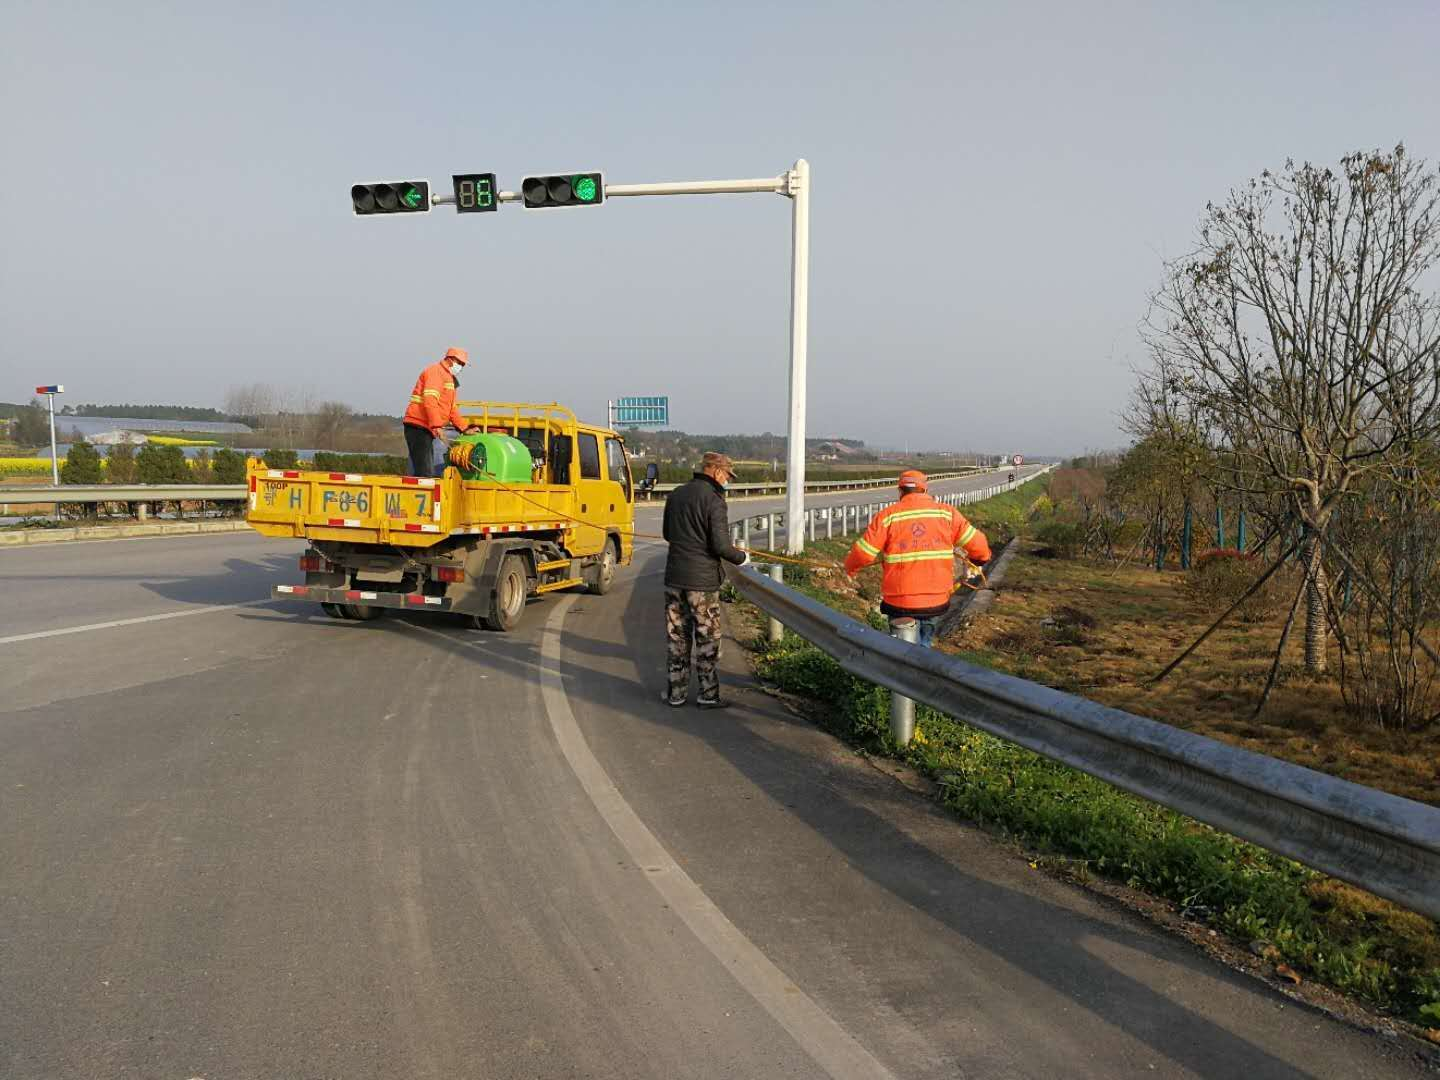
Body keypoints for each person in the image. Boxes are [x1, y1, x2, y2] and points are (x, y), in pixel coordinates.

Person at [843, 470, 991, 648]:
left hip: (899, 602)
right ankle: (924, 655)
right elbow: (979, 544)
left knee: (901, 650)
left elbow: (863, 553)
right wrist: (978, 561)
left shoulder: (887, 516)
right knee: (924, 645)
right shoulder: (947, 514)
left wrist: (850, 569)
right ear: (925, 490)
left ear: (900, 490)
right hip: (936, 601)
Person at [661, 451, 749, 708]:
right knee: (707, 638)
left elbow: (667, 533)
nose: (727, 481)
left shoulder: (676, 494)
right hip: (702, 583)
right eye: (727, 475)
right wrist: (742, 557)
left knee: (677, 636)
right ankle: (708, 695)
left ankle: (676, 693)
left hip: (674, 578)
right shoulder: (714, 500)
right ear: (716, 471)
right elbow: (720, 546)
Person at [402, 347, 477, 477]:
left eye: (463, 365)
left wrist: (465, 428)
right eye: (460, 363)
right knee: (425, 473)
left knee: (425, 471)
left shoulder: (449, 379)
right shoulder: (436, 372)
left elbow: (452, 410)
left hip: (425, 428)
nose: (461, 367)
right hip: (418, 426)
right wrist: (437, 426)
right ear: (451, 359)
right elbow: (430, 400)